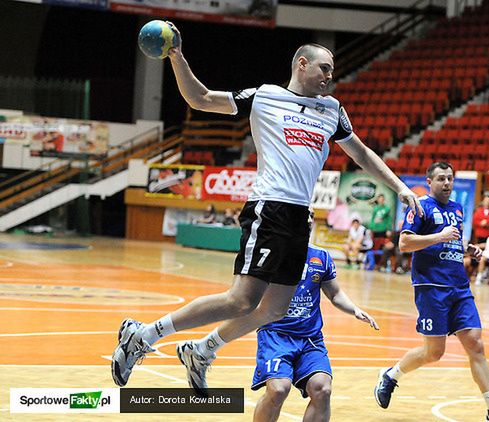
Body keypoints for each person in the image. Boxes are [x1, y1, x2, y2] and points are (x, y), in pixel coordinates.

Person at [111, 27, 421, 393]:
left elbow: (362, 153)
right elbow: (201, 98)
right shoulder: (265, 97)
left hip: (299, 218)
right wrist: (177, 56)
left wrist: (399, 187)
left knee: (274, 309)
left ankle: (201, 350)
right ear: (301, 64)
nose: (329, 75)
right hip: (270, 209)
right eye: (324, 68)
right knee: (241, 300)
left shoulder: (332, 110)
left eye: (332, 71)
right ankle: (143, 335)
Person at [373, 162, 489, 422]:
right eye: (441, 179)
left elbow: (453, 238)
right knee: (434, 352)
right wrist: (439, 237)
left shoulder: (458, 209)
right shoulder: (420, 206)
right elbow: (404, 243)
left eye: (450, 178)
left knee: (475, 344)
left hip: (459, 285)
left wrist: (468, 248)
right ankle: (391, 375)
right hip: (431, 287)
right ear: (429, 181)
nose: (447, 183)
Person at [252, 244, 379, 421]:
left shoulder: (321, 256)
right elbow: (249, 291)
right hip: (276, 334)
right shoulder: (271, 252)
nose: (308, 220)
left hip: (310, 338)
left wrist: (354, 309)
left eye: (311, 215)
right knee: (278, 389)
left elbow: (335, 293)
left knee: (322, 388)